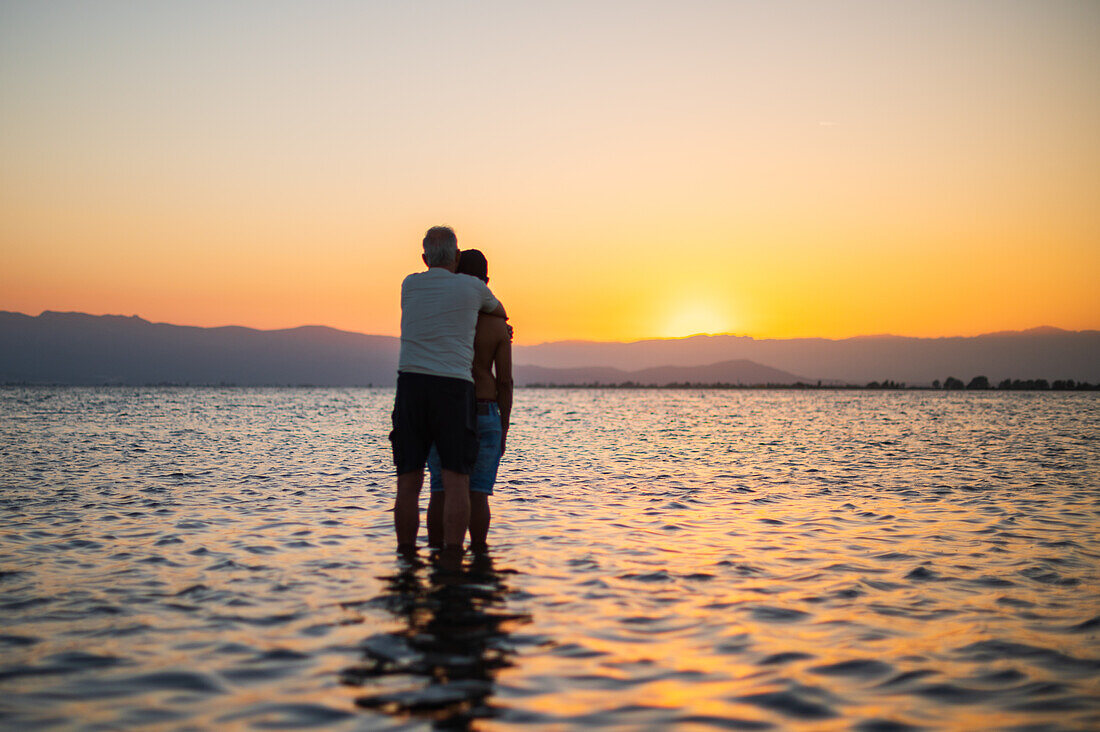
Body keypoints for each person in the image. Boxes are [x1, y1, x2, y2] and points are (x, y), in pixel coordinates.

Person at [391, 227, 506, 552]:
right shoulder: (472, 287)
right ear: (456, 257)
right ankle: (452, 562)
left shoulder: (409, 284)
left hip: (411, 386)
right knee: (457, 483)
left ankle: (407, 560)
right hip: (454, 390)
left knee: (408, 485)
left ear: (424, 258)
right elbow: (498, 310)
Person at [425, 249, 512, 552]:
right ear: (486, 280)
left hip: (446, 410)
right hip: (485, 409)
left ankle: (438, 556)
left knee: (440, 491)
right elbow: (504, 381)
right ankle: (478, 560)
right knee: (478, 494)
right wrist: (504, 425)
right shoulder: (498, 323)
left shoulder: (446, 317)